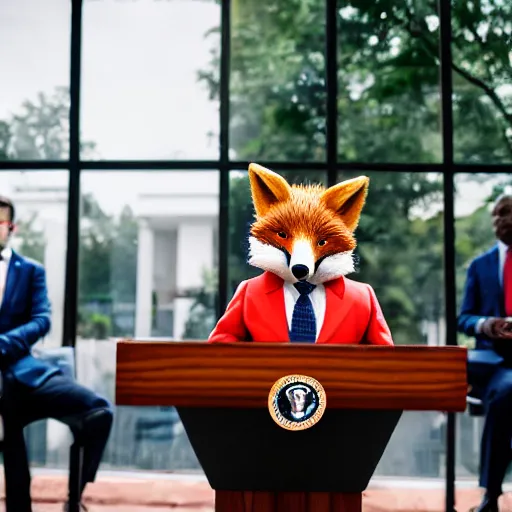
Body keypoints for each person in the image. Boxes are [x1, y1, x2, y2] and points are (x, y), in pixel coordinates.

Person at [0, 195, 113, 512]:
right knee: (9, 427)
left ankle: (74, 497)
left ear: (12, 227)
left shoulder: (30, 271)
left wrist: (3, 344)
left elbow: (41, 320)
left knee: (99, 412)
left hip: (24, 372)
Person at [458, 193, 512, 512]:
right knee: (505, 393)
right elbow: (464, 318)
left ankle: (490, 495)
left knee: (504, 399)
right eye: (494, 215)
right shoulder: (480, 266)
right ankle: (491, 493)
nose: (498, 220)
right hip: (493, 361)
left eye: (504, 213)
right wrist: (486, 325)